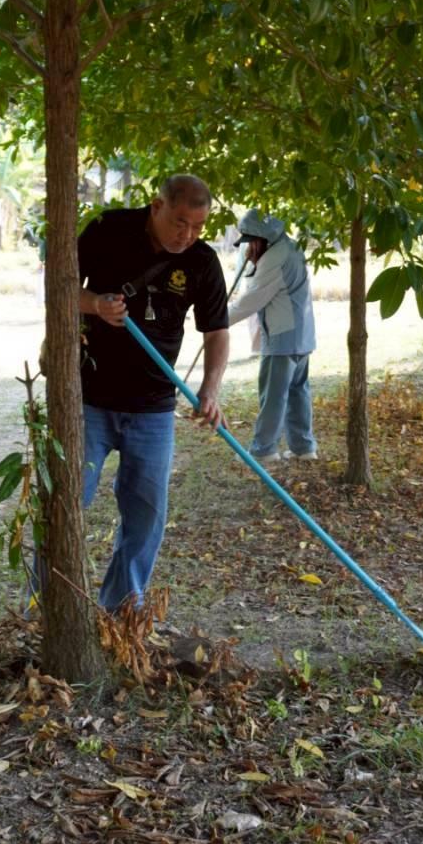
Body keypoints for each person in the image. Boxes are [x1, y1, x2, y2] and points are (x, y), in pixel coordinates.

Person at [75, 174, 229, 612]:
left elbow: (217, 331)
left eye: (198, 227)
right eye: (180, 222)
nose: (188, 235)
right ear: (156, 206)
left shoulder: (201, 261)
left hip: (154, 409)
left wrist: (211, 390)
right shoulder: (108, 228)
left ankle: (121, 610)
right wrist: (96, 305)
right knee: (67, 506)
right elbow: (60, 286)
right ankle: (52, 609)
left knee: (145, 520)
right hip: (89, 399)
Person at [227, 209, 317, 463]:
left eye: (250, 243)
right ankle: (303, 447)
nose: (249, 249)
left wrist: (216, 321)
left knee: (273, 395)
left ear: (260, 239)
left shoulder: (274, 258)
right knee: (298, 391)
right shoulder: (289, 247)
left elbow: (250, 301)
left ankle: (264, 450)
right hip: (301, 335)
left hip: (282, 337)